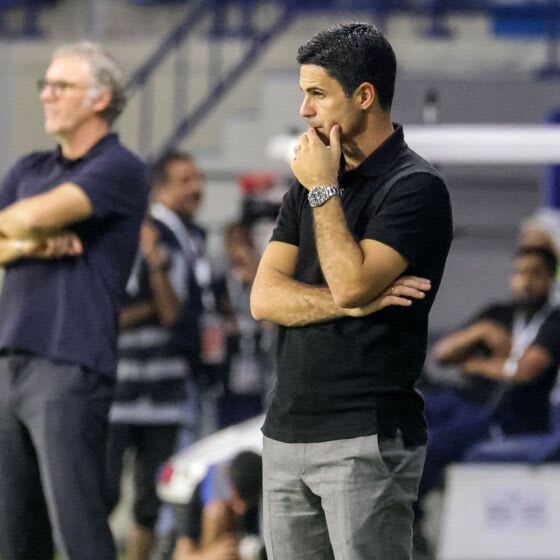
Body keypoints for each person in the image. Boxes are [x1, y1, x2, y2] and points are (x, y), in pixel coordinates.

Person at [250, 23, 453, 560]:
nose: (304, 110)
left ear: (364, 96)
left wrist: (322, 189)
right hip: (286, 429)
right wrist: (355, 300)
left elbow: (348, 282)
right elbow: (264, 299)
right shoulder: (311, 177)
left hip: (368, 434)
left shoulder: (415, 187)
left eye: (317, 94)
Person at [0, 41, 147, 560]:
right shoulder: (28, 168)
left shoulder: (119, 167)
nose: (47, 95)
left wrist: (18, 226)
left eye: (61, 86)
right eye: (45, 84)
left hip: (71, 363)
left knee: (78, 527)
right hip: (11, 362)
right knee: (17, 537)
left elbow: (29, 216)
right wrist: (25, 245)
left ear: (100, 99)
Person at [417, 247, 560, 537]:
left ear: (551, 279)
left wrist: (477, 365)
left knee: (434, 442)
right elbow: (442, 355)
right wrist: (480, 331)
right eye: (520, 272)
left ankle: (412, 520)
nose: (525, 281)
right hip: (463, 398)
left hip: (509, 414)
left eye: (535, 273)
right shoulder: (496, 314)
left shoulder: (557, 323)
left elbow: (526, 371)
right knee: (405, 418)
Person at [105, 151, 211, 560]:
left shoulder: (183, 238)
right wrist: (151, 308)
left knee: (151, 500)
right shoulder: (122, 236)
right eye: (185, 180)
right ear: (158, 189)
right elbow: (105, 315)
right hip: (119, 392)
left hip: (164, 394)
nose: (197, 188)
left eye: (198, 178)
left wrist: (154, 265)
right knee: (103, 491)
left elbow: (171, 311)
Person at [217, 222, 275, 428]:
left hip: (259, 367)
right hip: (227, 372)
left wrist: (253, 270)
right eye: (233, 243)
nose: (238, 249)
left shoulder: (261, 276)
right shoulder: (219, 279)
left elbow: (270, 317)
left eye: (243, 242)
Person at [174, 450, 264, 560]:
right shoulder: (205, 492)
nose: (241, 509)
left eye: (248, 501)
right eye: (237, 499)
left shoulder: (262, 500)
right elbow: (181, 556)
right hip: (210, 549)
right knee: (215, 513)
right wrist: (210, 556)